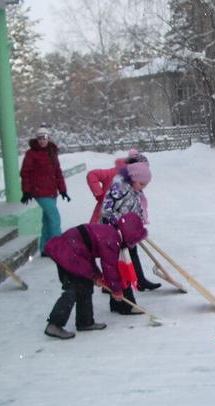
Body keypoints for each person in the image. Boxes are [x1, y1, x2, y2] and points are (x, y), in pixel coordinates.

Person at [43, 212, 147, 340]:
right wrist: (116, 290)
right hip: (69, 253)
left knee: (85, 285)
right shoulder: (112, 239)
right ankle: (54, 324)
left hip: (71, 250)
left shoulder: (110, 232)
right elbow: (110, 266)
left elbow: (87, 251)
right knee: (74, 289)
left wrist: (95, 275)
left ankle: (85, 321)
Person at [100, 160, 160, 315]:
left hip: (125, 235)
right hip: (112, 234)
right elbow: (106, 210)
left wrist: (137, 226)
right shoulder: (119, 189)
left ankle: (116, 303)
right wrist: (120, 223)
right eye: (141, 184)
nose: (143, 188)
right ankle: (126, 305)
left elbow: (137, 211)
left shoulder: (135, 191)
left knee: (122, 267)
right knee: (122, 268)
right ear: (133, 178)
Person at [19, 126, 69, 255]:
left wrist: (62, 190)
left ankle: (45, 248)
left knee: (47, 220)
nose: (42, 140)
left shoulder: (52, 152)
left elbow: (57, 172)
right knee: (54, 218)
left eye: (45, 137)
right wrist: (27, 191)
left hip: (52, 191)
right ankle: (58, 247)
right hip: (40, 191)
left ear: (48, 138)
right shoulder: (31, 154)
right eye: (40, 138)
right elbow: (25, 173)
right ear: (37, 139)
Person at [86, 149, 145, 224]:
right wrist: (99, 194)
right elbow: (92, 174)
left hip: (122, 216)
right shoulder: (112, 173)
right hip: (104, 213)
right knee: (97, 232)